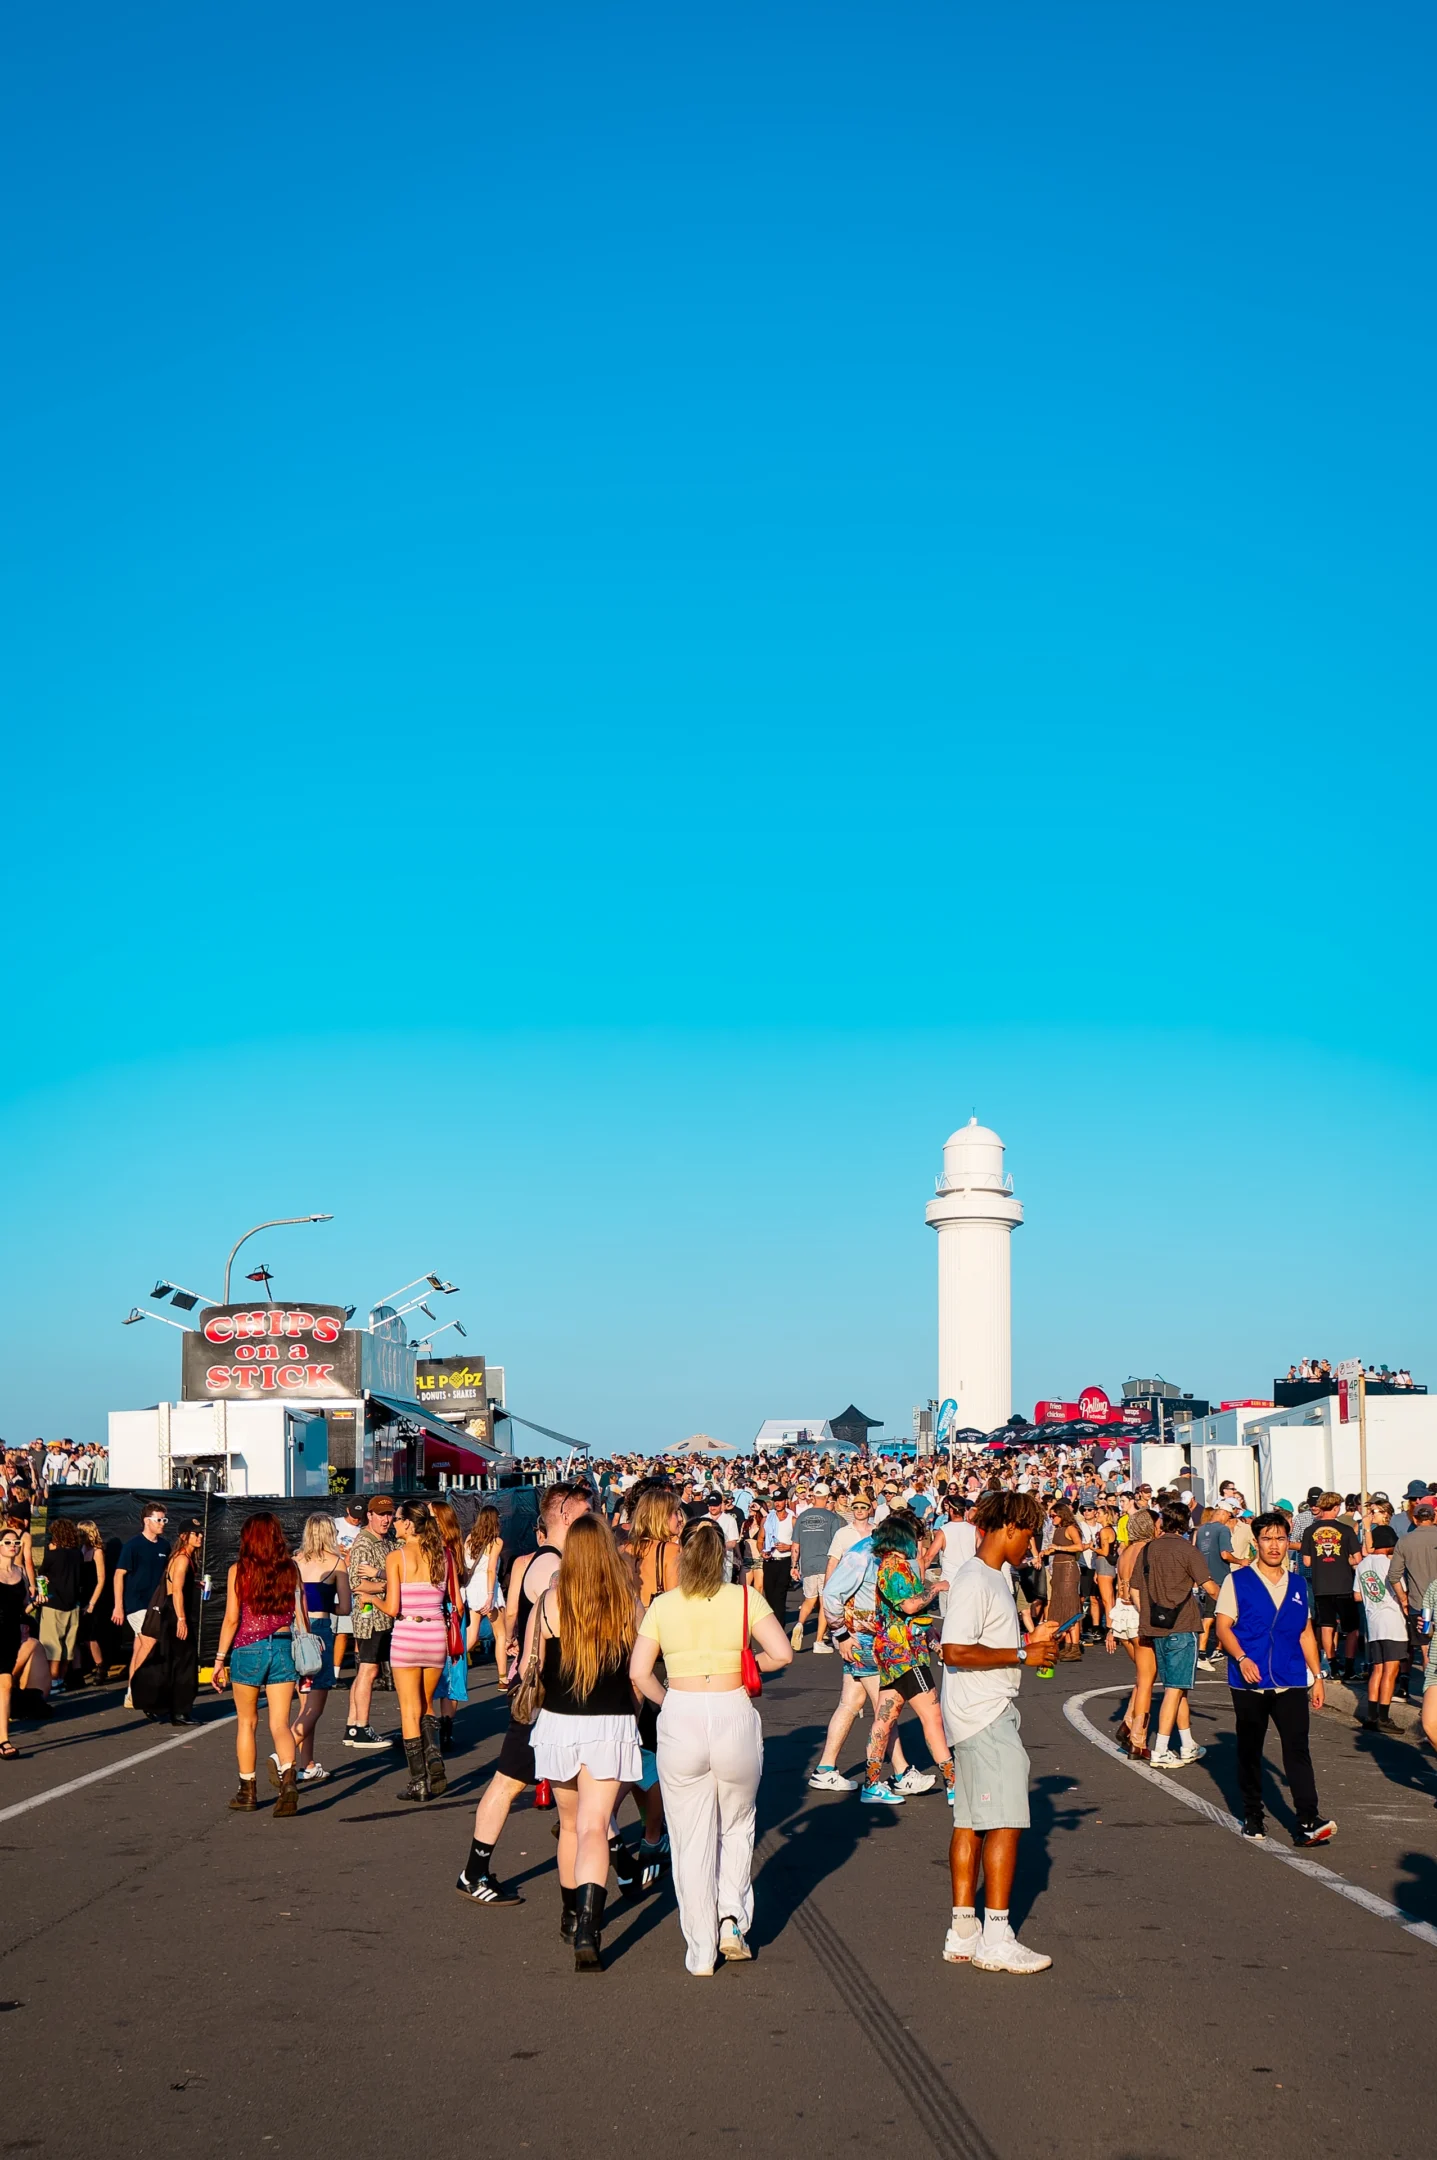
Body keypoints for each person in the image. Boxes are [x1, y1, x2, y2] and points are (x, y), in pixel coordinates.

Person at [631, 1518, 792, 1973]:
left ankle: (700, 1947)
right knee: (737, 1825)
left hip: (682, 1711)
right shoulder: (744, 1599)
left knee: (689, 1837)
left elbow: (639, 1672)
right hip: (732, 1710)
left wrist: (670, 1702)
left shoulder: (663, 1605)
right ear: (724, 1555)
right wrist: (746, 1669)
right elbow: (782, 1654)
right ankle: (731, 1919)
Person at [939, 1490, 1061, 1973]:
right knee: (1005, 1821)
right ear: (1009, 1526)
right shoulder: (977, 1578)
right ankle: (996, 1935)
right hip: (985, 1713)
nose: (1030, 1546)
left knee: (968, 1820)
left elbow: (981, 1643)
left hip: (971, 1712)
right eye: (1029, 1534)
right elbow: (954, 1650)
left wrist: (1030, 1642)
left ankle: (964, 1930)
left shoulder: (993, 1576)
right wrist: (1021, 1655)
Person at [457, 1482, 592, 1906]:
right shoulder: (554, 1568)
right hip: (545, 1696)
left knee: (579, 1784)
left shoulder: (532, 1562)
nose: (594, 1519)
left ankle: (608, 1856)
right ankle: (474, 1872)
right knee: (511, 1781)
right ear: (566, 1515)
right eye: (587, 1512)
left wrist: (515, 1644)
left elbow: (516, 1617)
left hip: (544, 1690)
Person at [527, 1512, 642, 1970]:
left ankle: (570, 1912)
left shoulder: (550, 1603)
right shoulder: (627, 1604)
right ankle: (589, 1931)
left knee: (571, 1826)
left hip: (559, 1721)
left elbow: (532, 1665)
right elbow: (640, 1669)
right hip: (611, 1722)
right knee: (597, 1825)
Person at [1215, 1510, 1334, 1847]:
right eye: (1267, 1538)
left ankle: (1308, 1820)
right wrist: (1241, 1657)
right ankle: (1253, 1815)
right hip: (1250, 1680)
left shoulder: (1297, 1584)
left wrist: (1318, 1676)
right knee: (1250, 1750)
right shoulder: (1237, 1580)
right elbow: (1223, 1627)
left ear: (1288, 1543)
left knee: (1297, 1749)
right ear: (1256, 1543)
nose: (1274, 1545)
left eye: (1280, 1538)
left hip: (1291, 1678)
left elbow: (1305, 1633)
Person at [211, 1513, 304, 1818]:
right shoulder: (291, 1569)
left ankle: (246, 1790)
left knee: (247, 1722)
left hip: (248, 1648)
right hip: (283, 1646)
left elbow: (232, 1619)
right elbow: (301, 1615)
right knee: (280, 1723)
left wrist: (219, 1660)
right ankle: (289, 1779)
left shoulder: (240, 1570)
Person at [865, 1514, 955, 1804]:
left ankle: (871, 1783)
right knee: (932, 1716)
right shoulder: (895, 1568)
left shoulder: (892, 1567)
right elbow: (910, 1604)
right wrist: (937, 1587)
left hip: (895, 1651)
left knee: (885, 1718)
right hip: (906, 1655)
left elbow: (912, 1613)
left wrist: (931, 1635)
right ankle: (953, 1782)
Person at [1130, 1506, 1218, 1767]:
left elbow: (1135, 1590)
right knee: (1175, 1688)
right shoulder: (1188, 1551)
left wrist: (1146, 1612)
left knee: (1176, 1688)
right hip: (1182, 1623)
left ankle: (1187, 1743)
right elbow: (1210, 1587)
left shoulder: (1147, 1550)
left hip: (1154, 1626)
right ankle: (1161, 1749)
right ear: (1186, 1523)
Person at [382, 1501, 450, 1802]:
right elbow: (455, 1600)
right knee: (427, 1703)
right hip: (436, 1634)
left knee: (409, 1711)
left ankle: (418, 1781)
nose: (394, 1523)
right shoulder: (444, 1555)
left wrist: (369, 1597)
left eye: (397, 1519)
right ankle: (433, 1754)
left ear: (409, 1524)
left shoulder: (396, 1557)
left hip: (408, 1634)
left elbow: (393, 1607)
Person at [292, 1513, 352, 1782]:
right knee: (316, 1705)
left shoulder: (293, 1563)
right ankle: (284, 1753)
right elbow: (345, 1607)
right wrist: (324, 1604)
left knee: (305, 1703)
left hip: (294, 1632)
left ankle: (308, 1763)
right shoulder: (337, 1563)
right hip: (319, 1630)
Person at [132, 1521, 204, 1724]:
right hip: (175, 1614)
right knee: (184, 1664)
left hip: (173, 1614)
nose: (199, 1536)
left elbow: (177, 1584)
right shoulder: (182, 1559)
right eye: (195, 1533)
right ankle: (178, 1712)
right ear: (184, 1536)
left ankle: (163, 1705)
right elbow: (176, 1591)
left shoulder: (185, 1558)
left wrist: (195, 1584)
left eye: (200, 1533)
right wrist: (181, 1619)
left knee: (171, 1660)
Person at [343, 1494, 397, 1750]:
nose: (386, 1519)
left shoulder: (386, 1541)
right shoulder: (364, 1543)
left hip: (384, 1616)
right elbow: (357, 1584)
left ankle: (353, 1725)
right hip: (370, 1618)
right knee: (369, 1669)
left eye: (390, 1515)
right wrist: (389, 1584)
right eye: (382, 1514)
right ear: (370, 1515)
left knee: (367, 1669)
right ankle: (361, 1727)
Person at [1298, 1493, 1361, 1680]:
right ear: (1334, 1508)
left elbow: (1307, 1562)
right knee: (1352, 1628)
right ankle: (1349, 1667)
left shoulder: (1309, 1531)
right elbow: (1357, 1559)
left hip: (1321, 1585)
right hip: (1344, 1584)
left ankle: (1332, 1664)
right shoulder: (1346, 1530)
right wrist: (1344, 1558)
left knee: (1327, 1625)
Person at [112, 1503, 170, 1704]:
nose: (162, 1524)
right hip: (136, 1605)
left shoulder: (164, 1546)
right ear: (147, 1521)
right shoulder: (133, 1546)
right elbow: (119, 1575)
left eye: (164, 1520)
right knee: (150, 1641)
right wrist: (118, 1606)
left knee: (140, 1646)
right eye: (158, 1519)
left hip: (157, 1605)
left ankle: (132, 1693)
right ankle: (142, 1689)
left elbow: (168, 1575)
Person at [1354, 1526, 1407, 1728]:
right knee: (1391, 1670)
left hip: (1373, 1622)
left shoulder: (1362, 1564)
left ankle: (1371, 1715)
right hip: (1393, 1621)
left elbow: (1357, 1595)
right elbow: (1400, 1587)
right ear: (1389, 1545)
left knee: (1377, 1669)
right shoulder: (1390, 1564)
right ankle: (1384, 1717)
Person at [38, 1517, 86, 1692]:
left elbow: (41, 1575)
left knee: (52, 1646)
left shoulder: (52, 1555)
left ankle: (52, 1681)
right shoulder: (78, 1554)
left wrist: (42, 1594)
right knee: (67, 1646)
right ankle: (61, 1680)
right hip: (73, 1603)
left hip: (53, 1603)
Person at [791, 1488, 842, 1652]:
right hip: (826, 1564)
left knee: (809, 1599)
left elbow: (795, 1545)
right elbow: (837, 1544)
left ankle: (799, 1624)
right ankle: (818, 1641)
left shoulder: (802, 1517)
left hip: (807, 1563)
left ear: (813, 1497)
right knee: (824, 1603)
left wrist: (794, 1566)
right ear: (827, 1498)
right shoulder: (833, 1518)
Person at [464, 1504, 508, 1672]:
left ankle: (450, 1661)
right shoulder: (496, 1542)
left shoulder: (469, 1538)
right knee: (500, 1634)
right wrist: (490, 1596)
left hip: (472, 1587)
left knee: (472, 1633)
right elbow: (491, 1569)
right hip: (488, 1587)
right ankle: (503, 1677)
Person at [0, 1526, 31, 1755]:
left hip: (9, 1634)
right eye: (8, 1542)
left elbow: (25, 1607)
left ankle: (3, 1739)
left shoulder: (21, 1572)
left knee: (6, 1684)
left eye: (16, 1543)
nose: (13, 1546)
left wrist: (38, 1601)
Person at [74, 1519, 109, 1685]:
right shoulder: (80, 1550)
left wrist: (92, 1603)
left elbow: (101, 1580)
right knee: (78, 1636)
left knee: (91, 1637)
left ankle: (101, 1666)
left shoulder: (97, 1552)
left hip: (94, 1597)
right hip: (80, 1596)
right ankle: (78, 1672)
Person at [761, 1494, 797, 1627]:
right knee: (769, 1595)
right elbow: (760, 1540)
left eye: (780, 1500)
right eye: (775, 1501)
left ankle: (779, 1628)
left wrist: (788, 1547)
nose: (778, 1503)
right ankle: (773, 1624)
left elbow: (798, 1543)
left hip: (785, 1561)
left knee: (780, 1596)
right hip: (770, 1561)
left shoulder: (792, 1520)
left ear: (786, 1501)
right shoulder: (767, 1519)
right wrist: (763, 1551)